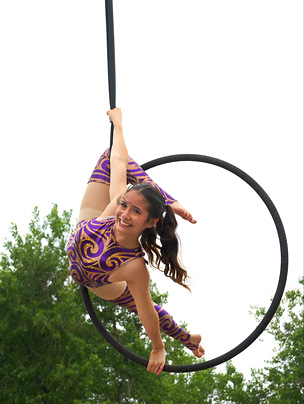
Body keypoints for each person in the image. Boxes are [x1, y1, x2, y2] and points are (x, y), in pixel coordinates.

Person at [66, 108, 205, 375]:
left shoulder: (134, 268)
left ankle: (188, 339)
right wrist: (118, 123)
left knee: (148, 305)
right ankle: (166, 200)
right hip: (87, 229)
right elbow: (118, 161)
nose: (124, 215)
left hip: (100, 281)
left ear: (151, 222)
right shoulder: (114, 210)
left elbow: (146, 313)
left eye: (135, 212)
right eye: (125, 206)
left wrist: (157, 347)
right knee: (109, 157)